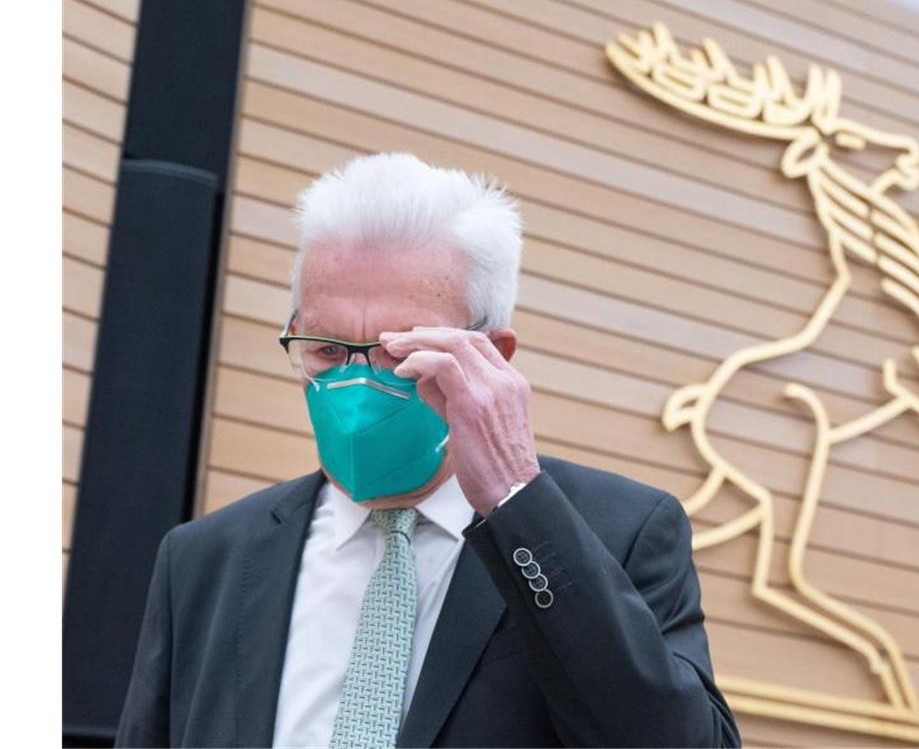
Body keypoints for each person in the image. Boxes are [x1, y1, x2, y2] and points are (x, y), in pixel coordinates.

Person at [115, 153, 741, 748]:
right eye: (327, 351)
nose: (356, 385)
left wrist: (517, 502)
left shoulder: (617, 532)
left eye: (399, 352)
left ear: (493, 356)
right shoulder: (203, 561)